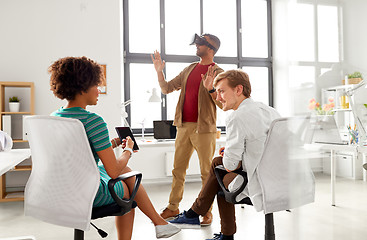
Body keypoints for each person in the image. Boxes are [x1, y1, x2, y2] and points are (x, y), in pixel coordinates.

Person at [48, 56, 180, 240]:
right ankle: (158, 224)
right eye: (96, 85)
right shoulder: (93, 121)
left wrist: (114, 144)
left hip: (59, 190)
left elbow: (79, 151)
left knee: (126, 172)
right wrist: (127, 150)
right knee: (128, 191)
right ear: (82, 86)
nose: (99, 90)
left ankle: (160, 223)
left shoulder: (55, 117)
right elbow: (113, 170)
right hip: (87, 193)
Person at [168, 69, 281, 240]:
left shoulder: (237, 117)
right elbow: (263, 146)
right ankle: (198, 216)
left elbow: (230, 165)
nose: (218, 97)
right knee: (217, 164)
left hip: (258, 181)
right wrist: (231, 153)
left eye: (221, 91)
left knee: (219, 173)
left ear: (238, 90)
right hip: (277, 176)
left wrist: (229, 153)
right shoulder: (269, 111)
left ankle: (197, 215)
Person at [151, 33, 224, 225]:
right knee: (178, 170)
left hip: (205, 129)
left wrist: (211, 89)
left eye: (200, 44)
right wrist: (159, 71)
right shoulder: (189, 69)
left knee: (206, 173)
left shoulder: (218, 72)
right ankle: (173, 207)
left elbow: (223, 103)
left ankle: (206, 211)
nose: (196, 46)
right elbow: (167, 88)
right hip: (183, 127)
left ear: (210, 48)